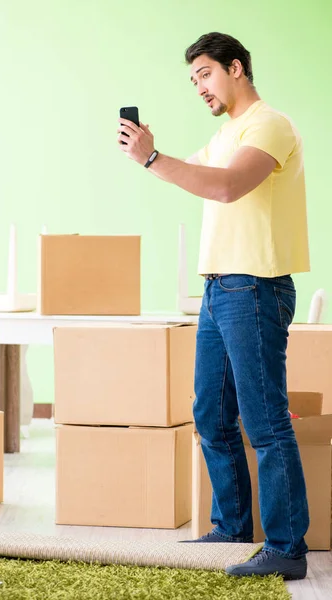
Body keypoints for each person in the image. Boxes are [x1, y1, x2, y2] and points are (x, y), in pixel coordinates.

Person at [117, 31, 310, 580]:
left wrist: (152, 156)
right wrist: (149, 153)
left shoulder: (268, 124)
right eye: (193, 79)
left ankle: (287, 548)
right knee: (212, 415)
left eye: (205, 73)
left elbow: (227, 187)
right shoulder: (227, 133)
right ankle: (231, 527)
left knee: (265, 420)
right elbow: (197, 176)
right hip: (219, 289)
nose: (199, 86)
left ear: (237, 68)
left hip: (255, 286)